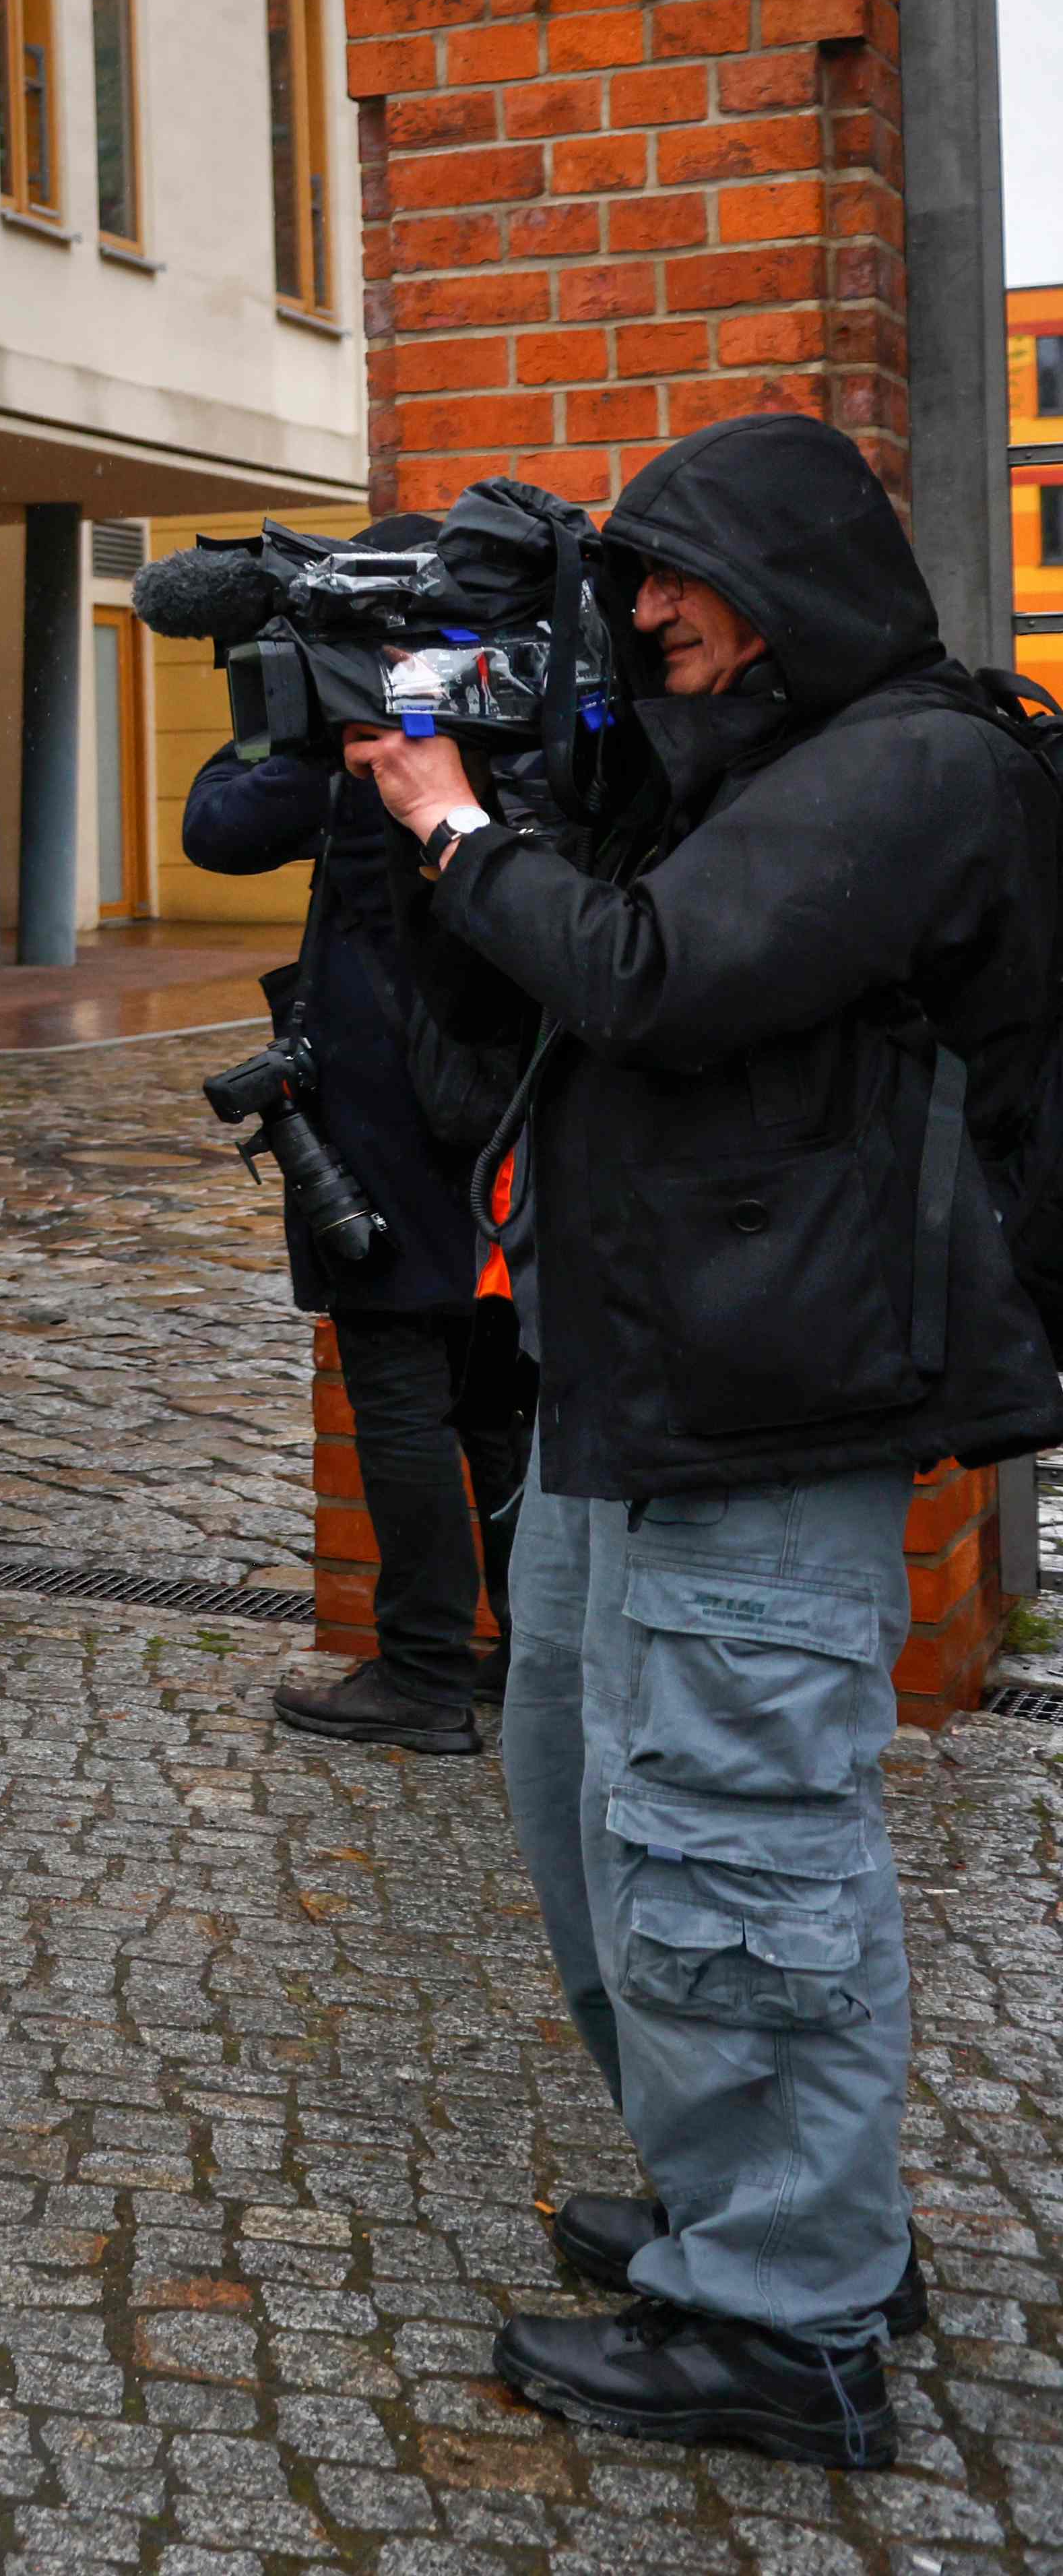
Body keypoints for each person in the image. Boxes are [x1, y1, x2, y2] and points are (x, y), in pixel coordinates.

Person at [358, 411, 1063, 2467]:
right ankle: (751, 2198)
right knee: (591, 1794)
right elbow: (567, 1006)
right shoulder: (781, 770)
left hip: (774, 1395)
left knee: (735, 1844)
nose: (648, 610)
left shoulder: (923, 769)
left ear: (790, 588)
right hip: (652, 1377)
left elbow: (649, 976)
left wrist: (453, 827)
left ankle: (792, 2319)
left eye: (683, 577)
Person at [180, 513, 536, 1757]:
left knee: (398, 1383)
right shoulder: (519, 693)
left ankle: (424, 1674)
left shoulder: (366, 732)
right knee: (497, 1387)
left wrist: (303, 714)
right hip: (510, 1087)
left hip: (393, 1096)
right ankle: (528, 1666)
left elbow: (215, 827)